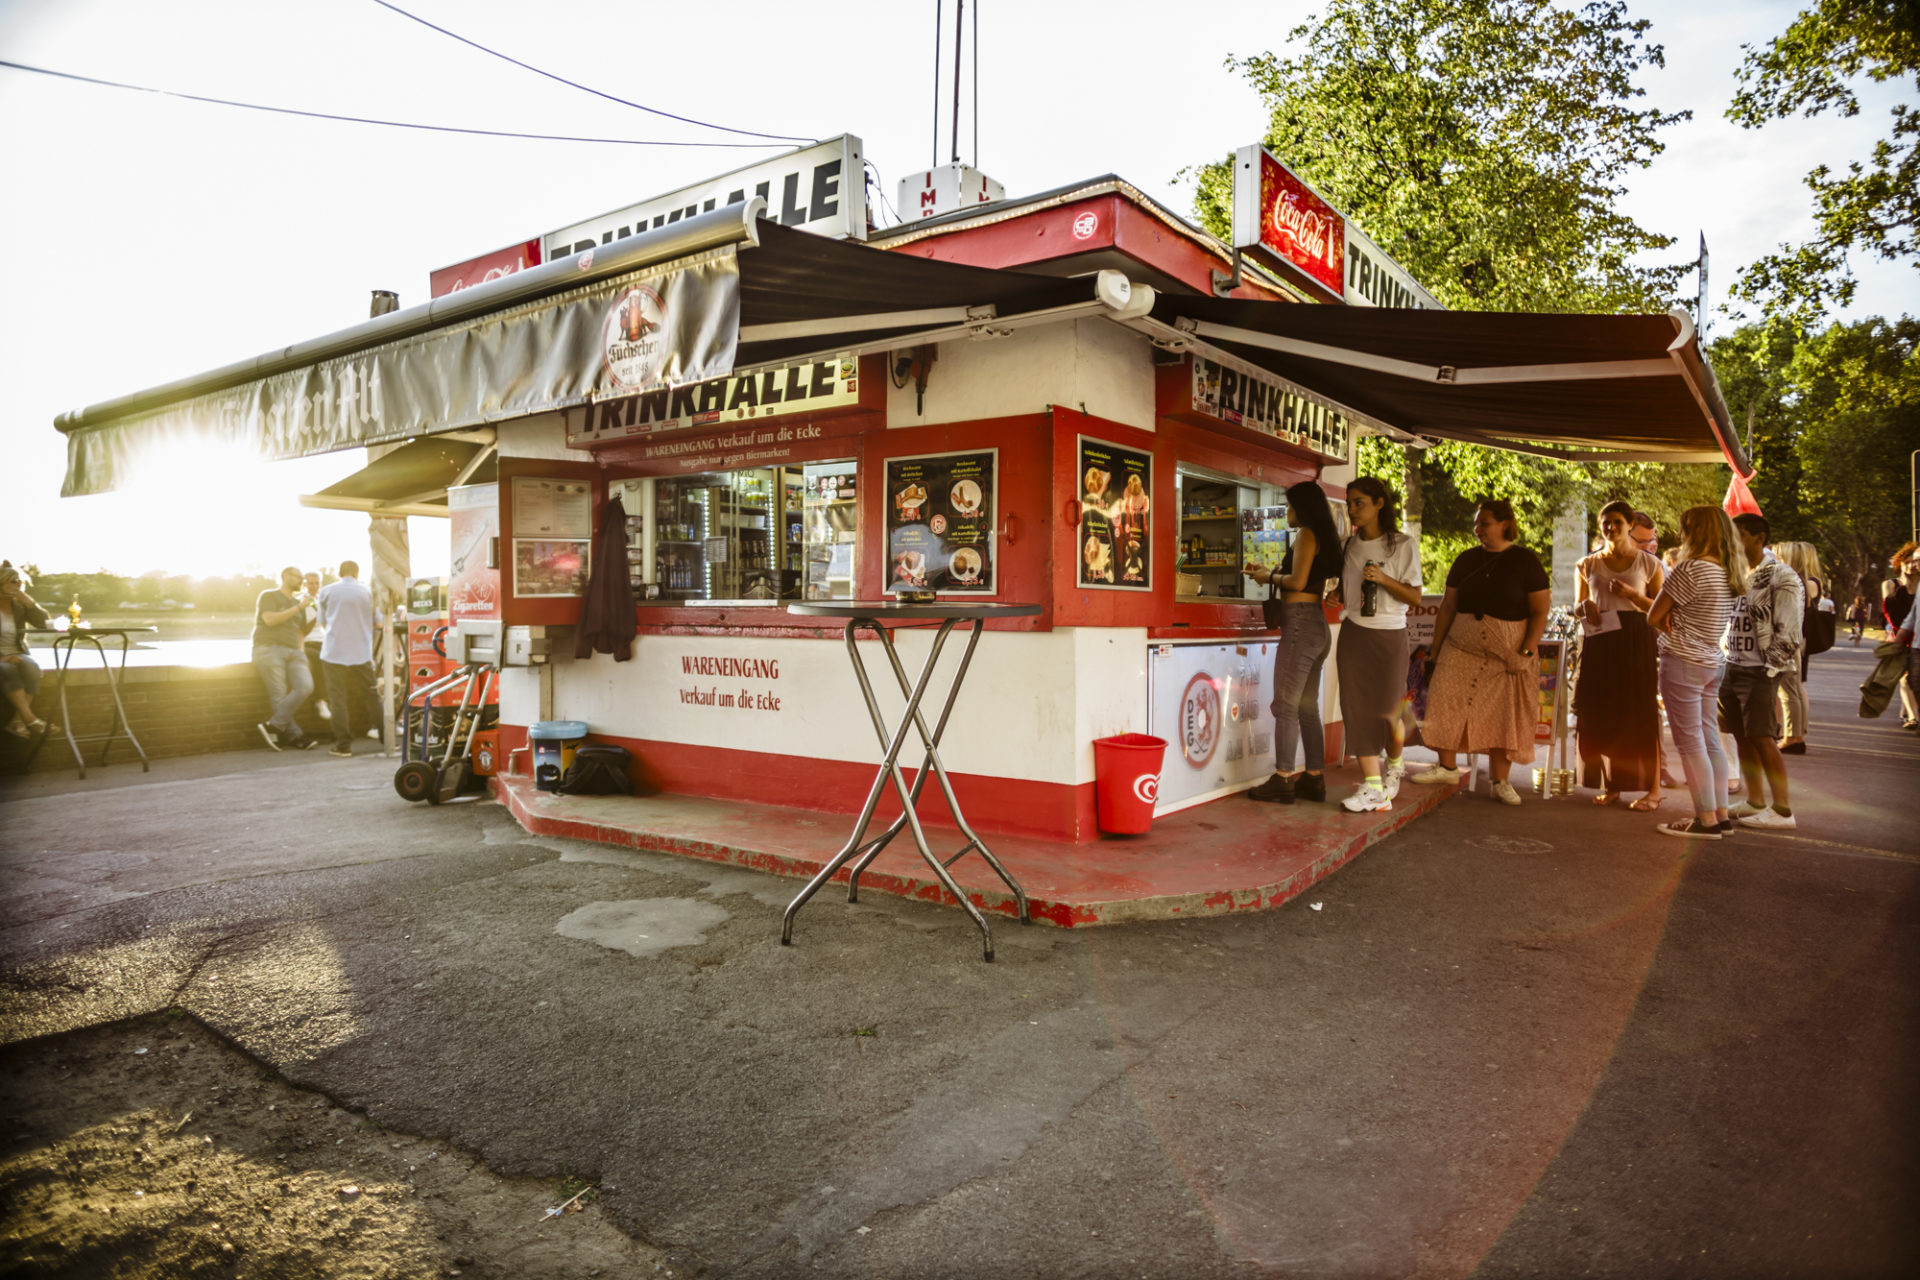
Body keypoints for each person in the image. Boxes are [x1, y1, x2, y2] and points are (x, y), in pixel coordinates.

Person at [1408, 498, 1551, 805]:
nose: (1478, 529)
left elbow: (1540, 611)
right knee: (1445, 697)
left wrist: (1525, 653)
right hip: (1461, 646)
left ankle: (1501, 781)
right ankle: (1447, 766)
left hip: (1508, 653)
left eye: (1484, 523)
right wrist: (1435, 650)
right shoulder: (1466, 559)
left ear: (1504, 524)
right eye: (1476, 523)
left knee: (1503, 712)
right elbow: (1447, 607)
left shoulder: (1526, 561)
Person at [1646, 506, 1747, 839]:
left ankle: (1705, 820)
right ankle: (1720, 815)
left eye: (1683, 528)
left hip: (1683, 660)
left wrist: (1671, 626)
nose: (1680, 533)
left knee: (1690, 744)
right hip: (1712, 661)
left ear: (1695, 532)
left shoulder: (1689, 568)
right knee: (1709, 740)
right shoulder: (1728, 572)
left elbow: (1653, 615)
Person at [1243, 481, 1343, 804]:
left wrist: (1267, 577)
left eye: (1289, 506)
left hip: (1299, 625)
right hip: (1316, 625)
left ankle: (1284, 777)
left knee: (1286, 704)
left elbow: (1297, 581)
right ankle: (1313, 777)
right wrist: (1273, 573)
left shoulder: (1306, 534)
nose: (1287, 512)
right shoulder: (1322, 537)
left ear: (1301, 508)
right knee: (1306, 706)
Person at [1332, 476, 1422, 812]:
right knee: (1356, 709)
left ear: (1379, 504)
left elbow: (1414, 596)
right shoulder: (1348, 546)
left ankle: (1395, 764)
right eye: (1349, 503)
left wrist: (1383, 579)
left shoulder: (1402, 544)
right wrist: (1337, 595)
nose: (1353, 510)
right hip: (1354, 632)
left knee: (1389, 710)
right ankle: (1373, 788)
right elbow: (1347, 589)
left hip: (1390, 633)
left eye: (1359, 503)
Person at [1573, 500, 1666, 808]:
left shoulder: (1649, 563)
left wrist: (1632, 595)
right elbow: (1578, 606)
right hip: (1600, 639)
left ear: (1630, 525)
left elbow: (1661, 610)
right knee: (1600, 711)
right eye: (1605, 523)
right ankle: (1612, 786)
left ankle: (1653, 789)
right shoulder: (1587, 564)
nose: (1611, 528)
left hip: (1635, 639)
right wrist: (1583, 608)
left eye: (1617, 522)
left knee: (1639, 712)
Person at [1721, 514, 1803, 830]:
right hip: (1734, 663)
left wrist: (1771, 670)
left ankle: (1782, 811)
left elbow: (1790, 631)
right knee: (1741, 735)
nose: (1733, 541)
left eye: (1739, 534)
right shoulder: (1738, 572)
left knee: (1762, 735)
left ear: (1759, 537)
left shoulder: (1780, 575)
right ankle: (1755, 801)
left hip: (1761, 668)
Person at [315, 559, 376, 758]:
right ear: (357, 573)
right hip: (362, 651)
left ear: (340, 573)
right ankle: (387, 737)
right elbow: (380, 623)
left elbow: (322, 623)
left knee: (337, 700)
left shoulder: (326, 592)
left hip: (334, 652)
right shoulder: (368, 592)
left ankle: (343, 745)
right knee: (372, 695)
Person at [1771, 541, 1826, 753]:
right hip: (1791, 637)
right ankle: (1794, 733)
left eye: (1780, 557)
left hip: (1789, 638)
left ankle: (1794, 736)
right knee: (1790, 687)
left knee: (1789, 688)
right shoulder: (1800, 581)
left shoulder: (1803, 582)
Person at [252, 566, 315, 750]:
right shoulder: (269, 596)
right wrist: (298, 608)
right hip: (269, 649)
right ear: (286, 576)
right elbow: (269, 620)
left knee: (305, 687)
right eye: (298, 577)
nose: (301, 581)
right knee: (278, 695)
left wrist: (313, 612)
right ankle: (296, 737)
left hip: (294, 652)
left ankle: (273, 726)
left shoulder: (301, 603)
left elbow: (302, 631)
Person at [1, 561, 55, 739]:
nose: (18, 585)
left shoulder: (19, 605)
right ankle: (30, 719)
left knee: (31, 667)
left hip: (18, 652)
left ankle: (17, 721)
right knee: (7, 670)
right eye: (13, 581)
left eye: (20, 582)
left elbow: (44, 624)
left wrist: (31, 604)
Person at [301, 569, 331, 722]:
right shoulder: (300, 602)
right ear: (304, 584)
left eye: (316, 583)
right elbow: (300, 629)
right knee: (319, 659)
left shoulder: (323, 600)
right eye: (310, 583)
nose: (313, 586)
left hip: (323, 641)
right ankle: (320, 700)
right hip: (307, 642)